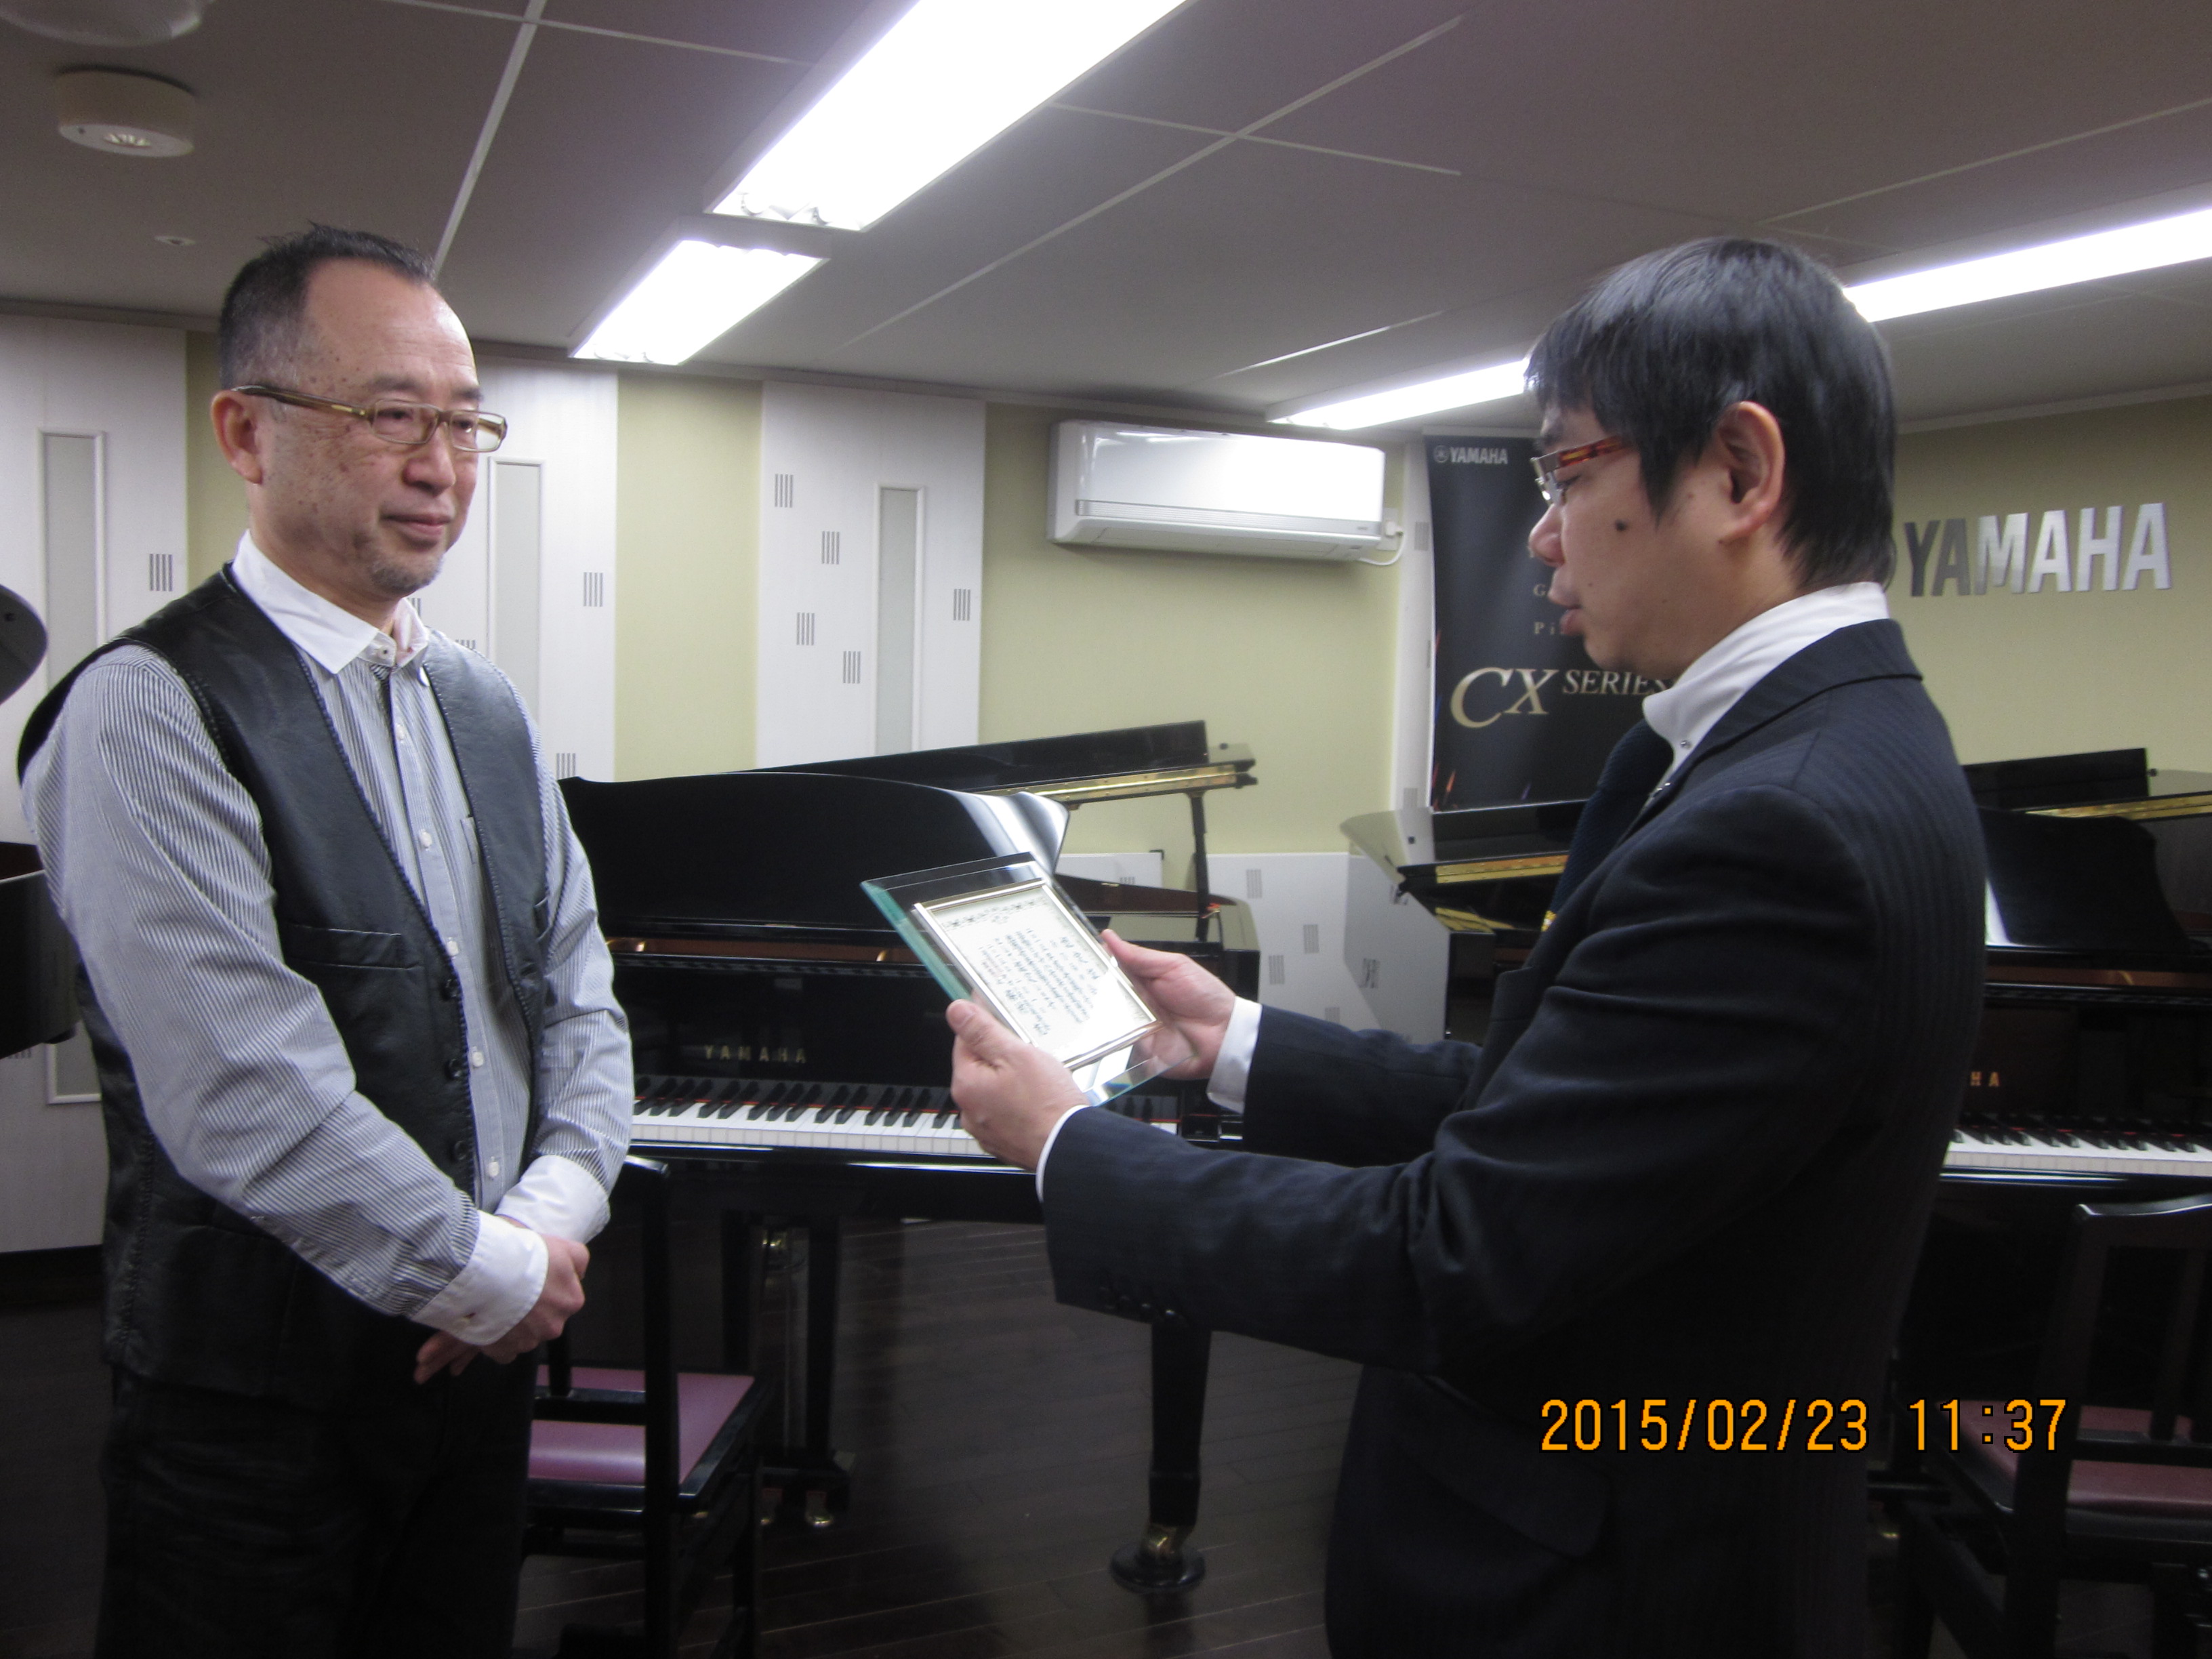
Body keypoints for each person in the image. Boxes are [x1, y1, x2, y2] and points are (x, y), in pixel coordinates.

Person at [947, 238, 1986, 1658]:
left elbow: (1454, 1255)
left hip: (1605, 1588)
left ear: (1741, 473)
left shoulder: (1781, 824)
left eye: (1566, 473)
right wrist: (1237, 1042)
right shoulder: (1834, 743)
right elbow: (1555, 1114)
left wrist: (1071, 1147)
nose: (1542, 535)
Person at [19, 226, 633, 1658]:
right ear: (247, 431)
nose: (441, 467)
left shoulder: (488, 706)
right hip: (253, 1413)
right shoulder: (149, 705)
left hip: (475, 1378)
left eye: (464, 423)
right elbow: (247, 1091)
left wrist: (543, 1229)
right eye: (388, 415)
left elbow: (579, 1005)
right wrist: (498, 1278)